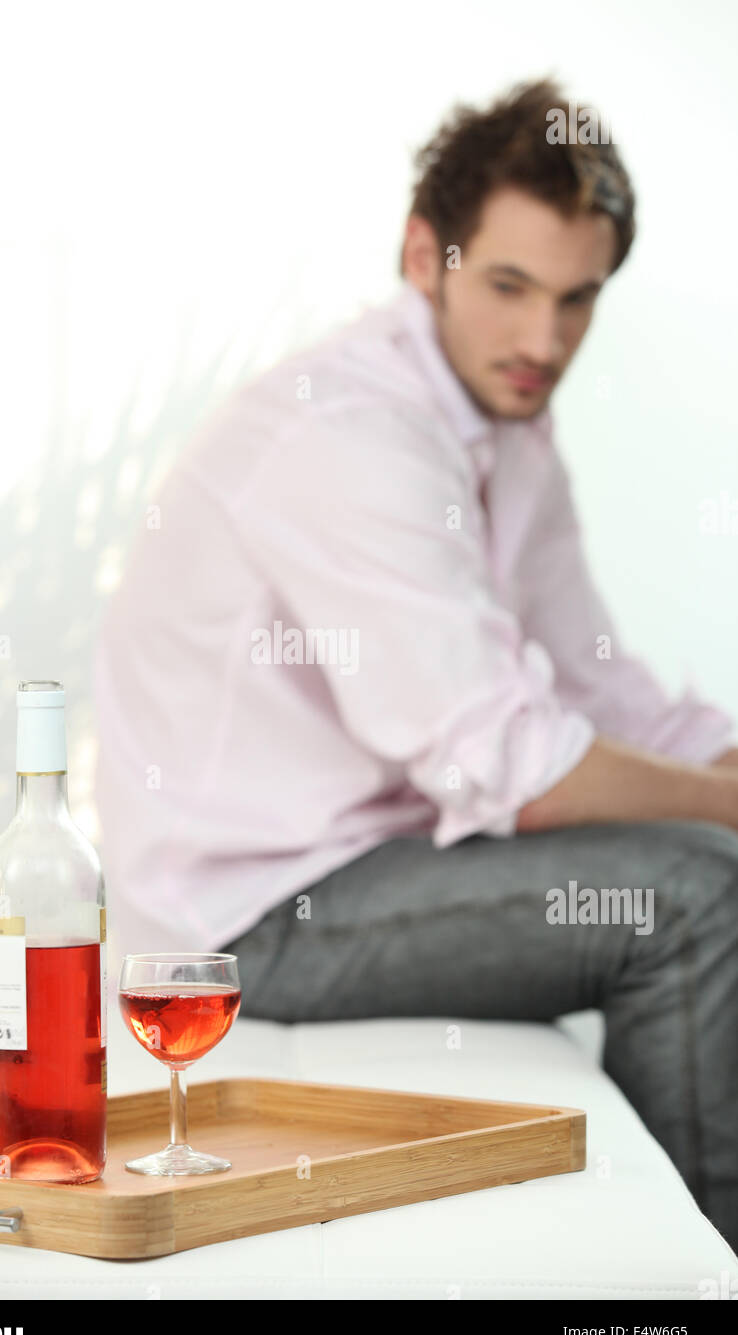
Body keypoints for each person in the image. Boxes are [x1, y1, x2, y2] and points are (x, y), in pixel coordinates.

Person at [92, 77, 738, 1250]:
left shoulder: (504, 425)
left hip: (377, 857)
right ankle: (698, 1274)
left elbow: (601, 688)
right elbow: (515, 768)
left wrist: (721, 767)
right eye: (506, 287)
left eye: (576, 300)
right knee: (692, 895)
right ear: (419, 253)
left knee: (703, 847)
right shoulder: (351, 435)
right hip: (246, 919)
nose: (542, 340)